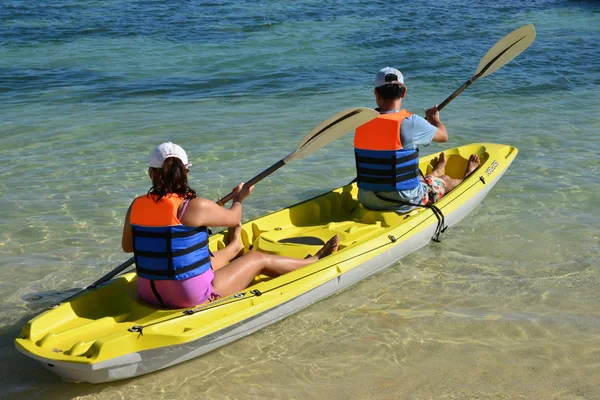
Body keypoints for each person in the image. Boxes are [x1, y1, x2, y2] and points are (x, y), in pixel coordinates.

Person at [122, 142, 339, 309]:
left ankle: (234, 247)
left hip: (148, 292)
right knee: (257, 258)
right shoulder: (194, 207)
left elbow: (129, 246)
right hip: (187, 296)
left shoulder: (135, 206)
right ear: (184, 172)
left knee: (208, 258)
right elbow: (234, 218)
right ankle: (314, 261)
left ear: (152, 174)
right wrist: (239, 199)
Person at [354, 67, 481, 213]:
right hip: (402, 199)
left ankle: (435, 173)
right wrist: (434, 119)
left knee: (416, 180)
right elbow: (443, 136)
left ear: (376, 92)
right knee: (445, 181)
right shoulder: (411, 121)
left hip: (367, 198)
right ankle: (466, 177)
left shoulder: (361, 122)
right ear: (404, 92)